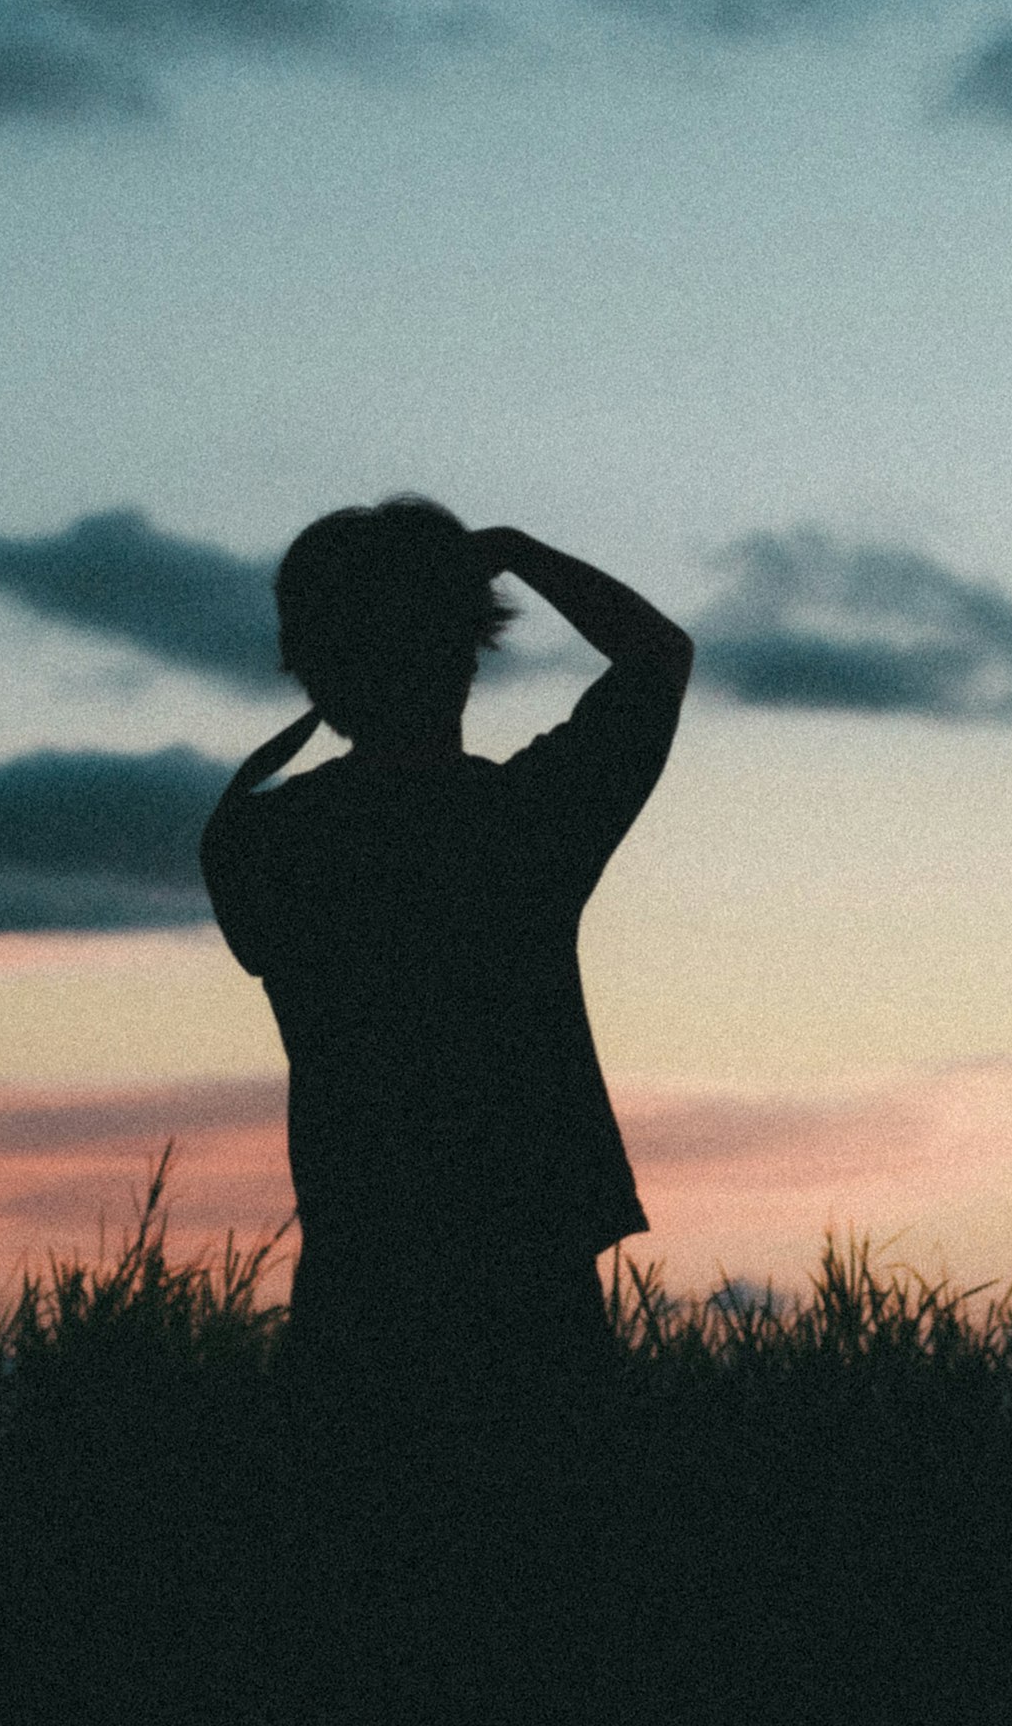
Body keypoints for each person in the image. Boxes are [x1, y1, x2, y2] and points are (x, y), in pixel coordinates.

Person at [200, 497, 691, 1432]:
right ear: (466, 656)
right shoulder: (522, 824)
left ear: (313, 665)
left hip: (356, 1270)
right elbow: (658, 656)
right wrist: (515, 551)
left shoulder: (254, 840)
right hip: (529, 1273)